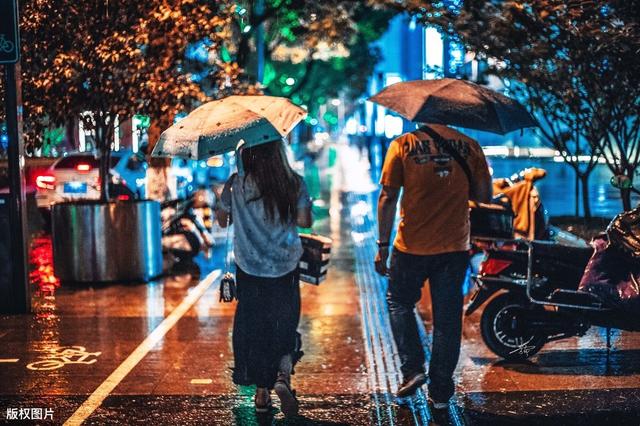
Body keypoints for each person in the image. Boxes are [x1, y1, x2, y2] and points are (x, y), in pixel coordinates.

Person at [374, 124, 492, 411]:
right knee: (448, 319)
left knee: (399, 302)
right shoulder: (471, 145)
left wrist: (382, 245)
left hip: (410, 246)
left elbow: (388, 197)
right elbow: (484, 197)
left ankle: (413, 368)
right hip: (454, 247)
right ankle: (440, 392)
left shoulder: (403, 145)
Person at [215, 140, 312, 417]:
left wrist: (226, 203)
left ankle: (261, 395)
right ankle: (282, 377)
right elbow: (305, 221)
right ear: (278, 152)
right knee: (284, 323)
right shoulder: (293, 182)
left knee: (256, 329)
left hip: (250, 268)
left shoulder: (237, 183)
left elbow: (223, 221)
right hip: (285, 266)